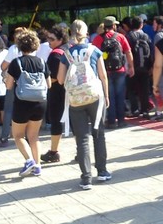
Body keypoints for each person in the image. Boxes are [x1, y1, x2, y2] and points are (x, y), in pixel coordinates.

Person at [57, 19, 110, 190]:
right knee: (98, 134)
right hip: (95, 96)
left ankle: (86, 178)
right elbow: (103, 76)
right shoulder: (95, 50)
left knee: (81, 139)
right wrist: (106, 96)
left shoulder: (66, 53)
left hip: (75, 100)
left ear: (71, 33)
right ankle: (102, 171)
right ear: (87, 33)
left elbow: (59, 79)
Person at [5, 29, 51, 177]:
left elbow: (9, 86)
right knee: (34, 136)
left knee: (18, 135)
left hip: (22, 103)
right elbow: (48, 84)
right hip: (40, 102)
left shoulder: (16, 63)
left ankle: (29, 160)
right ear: (36, 45)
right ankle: (37, 166)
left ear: (19, 46)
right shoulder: (42, 63)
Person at [91, 16, 133, 128]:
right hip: (120, 70)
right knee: (120, 96)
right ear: (114, 26)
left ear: (104, 26)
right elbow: (128, 52)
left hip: (105, 71)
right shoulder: (120, 37)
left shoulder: (97, 39)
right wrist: (131, 66)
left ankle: (111, 122)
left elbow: (93, 56)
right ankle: (121, 121)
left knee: (109, 96)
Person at [41, 24, 69, 163]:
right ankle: (80, 150)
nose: (49, 42)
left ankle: (54, 151)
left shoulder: (55, 54)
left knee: (56, 121)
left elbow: (53, 77)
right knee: (74, 122)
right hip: (71, 91)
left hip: (57, 91)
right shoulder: (68, 49)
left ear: (60, 39)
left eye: (52, 39)